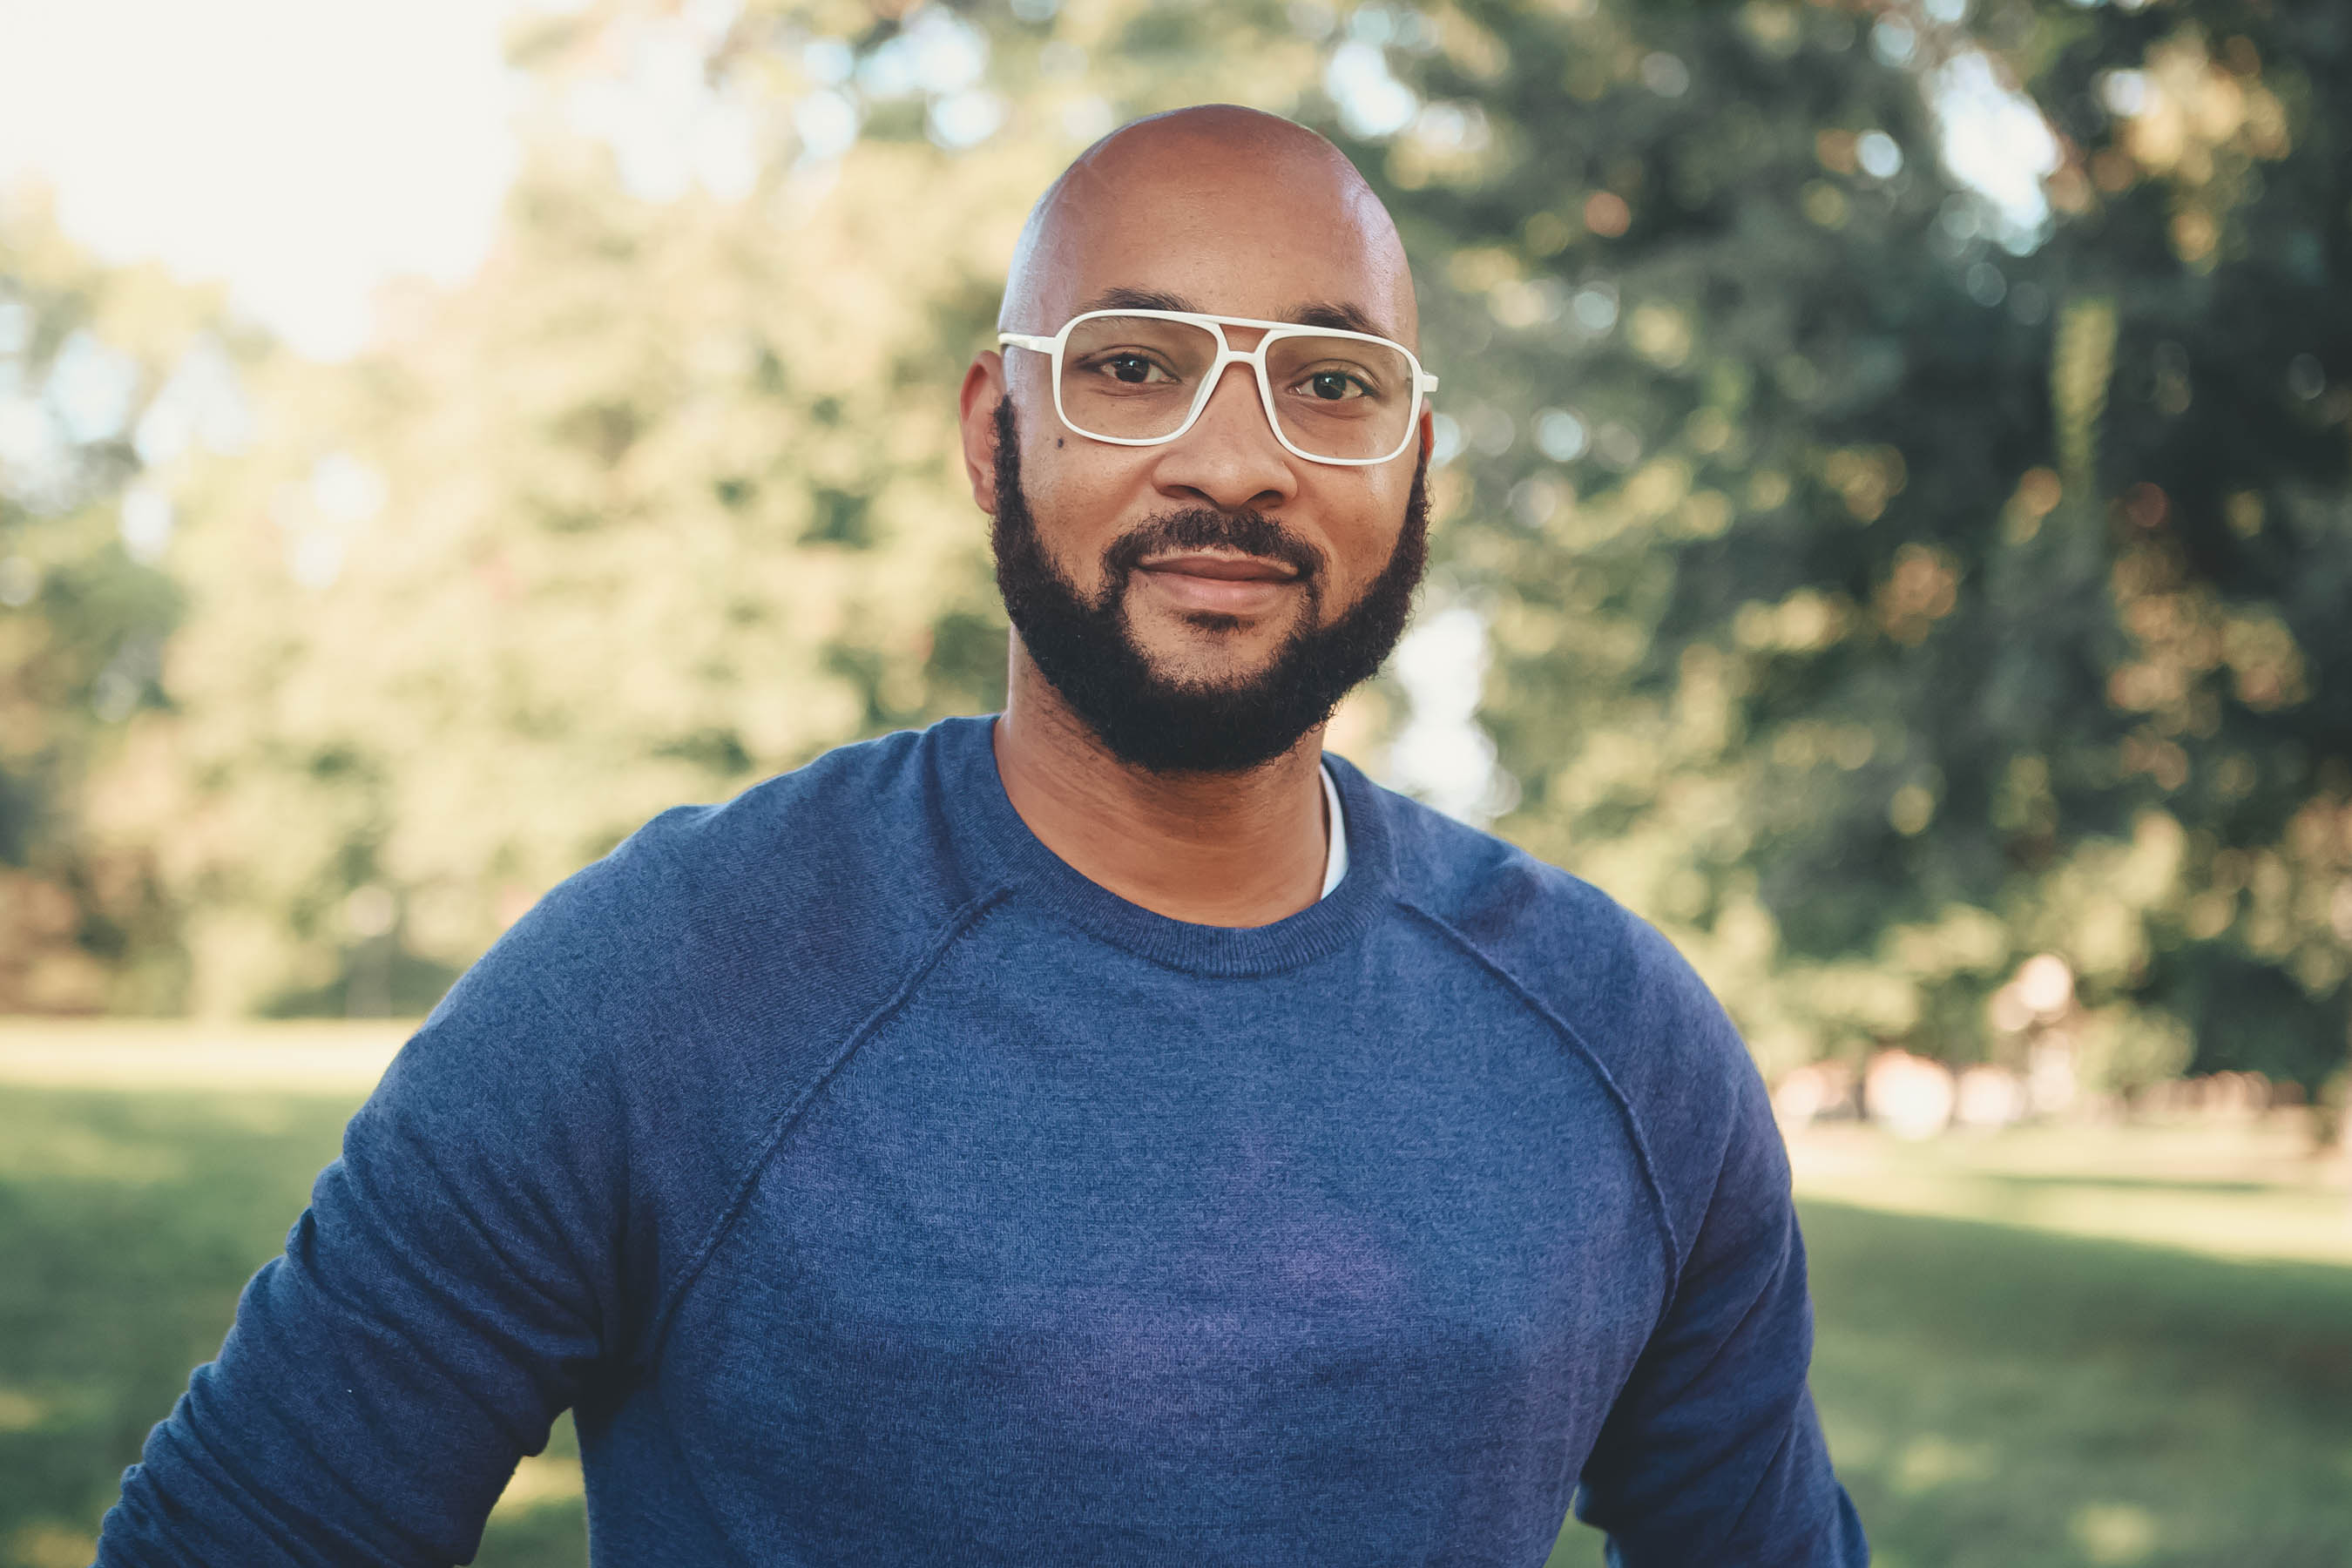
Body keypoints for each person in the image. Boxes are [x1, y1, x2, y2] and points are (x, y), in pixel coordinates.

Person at [97, 105, 1867, 1566]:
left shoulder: (1628, 1042)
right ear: (991, 433)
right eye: (1135, 364)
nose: (1233, 459)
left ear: (1415, 465)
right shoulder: (667, 982)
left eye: (1330, 382)